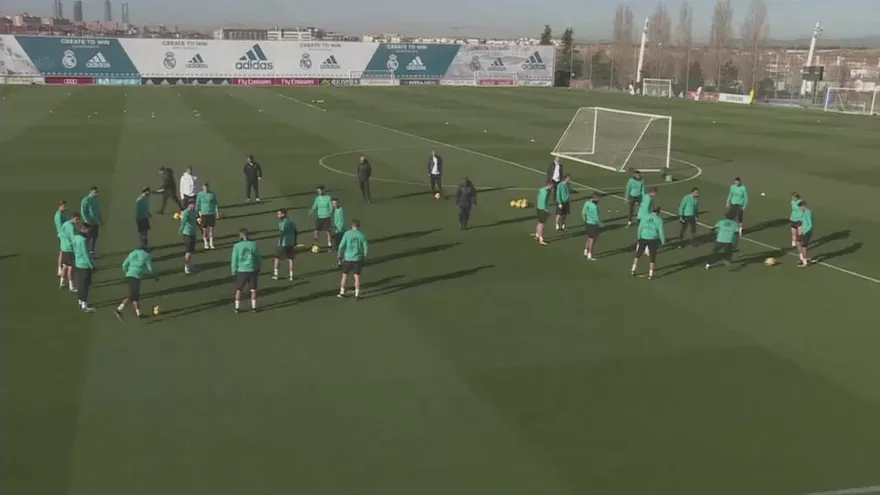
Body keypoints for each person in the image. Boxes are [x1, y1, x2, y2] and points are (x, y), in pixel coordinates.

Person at [114, 247, 156, 320]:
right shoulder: (146, 255)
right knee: (132, 295)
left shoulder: (133, 253)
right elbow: (150, 268)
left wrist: (126, 272)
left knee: (135, 296)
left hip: (129, 275)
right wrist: (155, 275)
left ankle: (139, 314)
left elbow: (124, 265)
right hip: (136, 277)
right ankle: (119, 310)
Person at [631, 206, 665, 280]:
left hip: (643, 237)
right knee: (652, 257)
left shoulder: (645, 217)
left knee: (638, 254)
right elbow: (661, 232)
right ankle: (650, 274)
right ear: (658, 212)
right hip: (653, 239)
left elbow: (640, 228)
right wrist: (663, 242)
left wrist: (639, 237)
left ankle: (633, 270)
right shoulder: (659, 220)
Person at [231, 228, 261, 313]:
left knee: (238, 290)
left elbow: (234, 259)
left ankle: (237, 308)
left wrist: (233, 269)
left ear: (240, 235)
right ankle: (254, 307)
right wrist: (258, 267)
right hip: (252, 269)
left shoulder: (236, 246)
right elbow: (257, 257)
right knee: (253, 289)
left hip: (241, 270)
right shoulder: (253, 244)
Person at [337, 219, 368, 299]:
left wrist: (340, 255)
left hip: (347, 258)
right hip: (357, 259)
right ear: (359, 226)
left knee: (344, 276)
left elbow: (341, 246)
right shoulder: (361, 235)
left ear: (352, 225)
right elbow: (365, 248)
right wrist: (364, 256)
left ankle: (342, 292)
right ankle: (357, 294)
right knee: (357, 277)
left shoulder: (347, 234)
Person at [72, 228, 96, 312]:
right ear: (85, 230)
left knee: (80, 283)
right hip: (84, 266)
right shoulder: (83, 240)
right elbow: (86, 254)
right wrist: (91, 265)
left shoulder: (75, 237)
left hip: (78, 263)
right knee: (85, 284)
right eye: (88, 230)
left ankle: (80, 300)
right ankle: (84, 305)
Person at [58, 212, 80, 292]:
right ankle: (71, 286)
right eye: (77, 219)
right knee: (71, 268)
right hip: (70, 250)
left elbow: (60, 234)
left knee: (64, 267)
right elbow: (74, 239)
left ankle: (62, 283)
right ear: (73, 218)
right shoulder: (71, 227)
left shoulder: (65, 224)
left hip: (64, 249)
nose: (78, 221)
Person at [273, 209, 296, 281]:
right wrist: (295, 242)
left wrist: (280, 243)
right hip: (291, 243)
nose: (277, 216)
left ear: (283, 214)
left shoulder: (282, 223)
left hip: (283, 244)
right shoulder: (292, 222)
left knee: (277, 258)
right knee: (290, 260)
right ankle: (291, 276)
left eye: (279, 214)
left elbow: (282, 233)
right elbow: (296, 232)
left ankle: (276, 275)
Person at [196, 182, 219, 250]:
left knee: (211, 229)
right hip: (204, 214)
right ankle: (206, 243)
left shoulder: (212, 194)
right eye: (205, 187)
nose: (206, 189)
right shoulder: (200, 194)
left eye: (207, 187)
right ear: (202, 187)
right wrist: (197, 213)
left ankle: (211, 243)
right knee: (205, 230)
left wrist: (217, 212)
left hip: (211, 214)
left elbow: (215, 204)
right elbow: (197, 204)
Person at [80, 186, 102, 256]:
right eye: (95, 192)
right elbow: (83, 212)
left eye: (97, 192)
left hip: (96, 222)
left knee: (95, 237)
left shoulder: (96, 199)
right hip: (89, 223)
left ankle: (92, 251)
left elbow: (98, 211)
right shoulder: (86, 200)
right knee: (87, 238)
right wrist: (87, 221)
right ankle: (85, 252)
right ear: (90, 192)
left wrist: (100, 219)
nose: (97, 193)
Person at [179, 201, 198, 274]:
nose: (193, 206)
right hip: (187, 234)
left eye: (194, 204)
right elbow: (183, 222)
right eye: (192, 205)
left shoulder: (194, 211)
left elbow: (195, 220)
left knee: (191, 251)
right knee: (188, 251)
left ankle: (189, 265)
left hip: (193, 233)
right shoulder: (186, 213)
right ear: (189, 205)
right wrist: (180, 230)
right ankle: (186, 267)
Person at [582, 193, 602, 260]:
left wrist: (585, 220)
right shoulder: (595, 207)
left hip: (588, 223)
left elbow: (583, 213)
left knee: (589, 237)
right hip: (593, 224)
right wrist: (601, 224)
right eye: (598, 198)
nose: (599, 200)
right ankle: (590, 254)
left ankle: (585, 251)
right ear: (595, 198)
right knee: (592, 240)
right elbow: (596, 218)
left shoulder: (587, 203)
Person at [796, 200, 814, 267]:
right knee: (798, 243)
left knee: (803, 246)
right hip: (801, 230)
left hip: (807, 232)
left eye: (800, 207)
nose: (800, 208)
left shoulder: (808, 212)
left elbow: (810, 224)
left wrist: (805, 231)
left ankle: (805, 262)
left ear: (803, 206)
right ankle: (802, 258)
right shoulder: (801, 212)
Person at [534, 181, 552, 246]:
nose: (552, 187)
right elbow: (544, 201)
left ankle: (537, 235)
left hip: (538, 208)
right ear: (549, 185)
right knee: (541, 225)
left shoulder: (541, 189)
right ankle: (541, 240)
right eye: (551, 186)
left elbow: (537, 197)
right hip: (543, 210)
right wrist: (547, 211)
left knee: (539, 222)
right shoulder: (546, 192)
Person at [54, 200, 68, 276]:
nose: (65, 208)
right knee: (62, 252)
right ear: (60, 206)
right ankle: (59, 269)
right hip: (62, 236)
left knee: (63, 252)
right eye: (64, 206)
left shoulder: (62, 214)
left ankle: (62, 267)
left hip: (65, 235)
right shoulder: (58, 216)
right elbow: (60, 229)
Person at [331, 198, 346, 262]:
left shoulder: (340, 211)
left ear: (338, 203)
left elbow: (341, 222)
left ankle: (342, 259)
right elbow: (336, 221)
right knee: (338, 247)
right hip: (337, 231)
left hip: (340, 232)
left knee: (340, 246)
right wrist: (333, 226)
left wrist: (338, 230)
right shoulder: (336, 210)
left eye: (335, 203)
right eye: (333, 203)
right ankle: (340, 260)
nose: (334, 205)